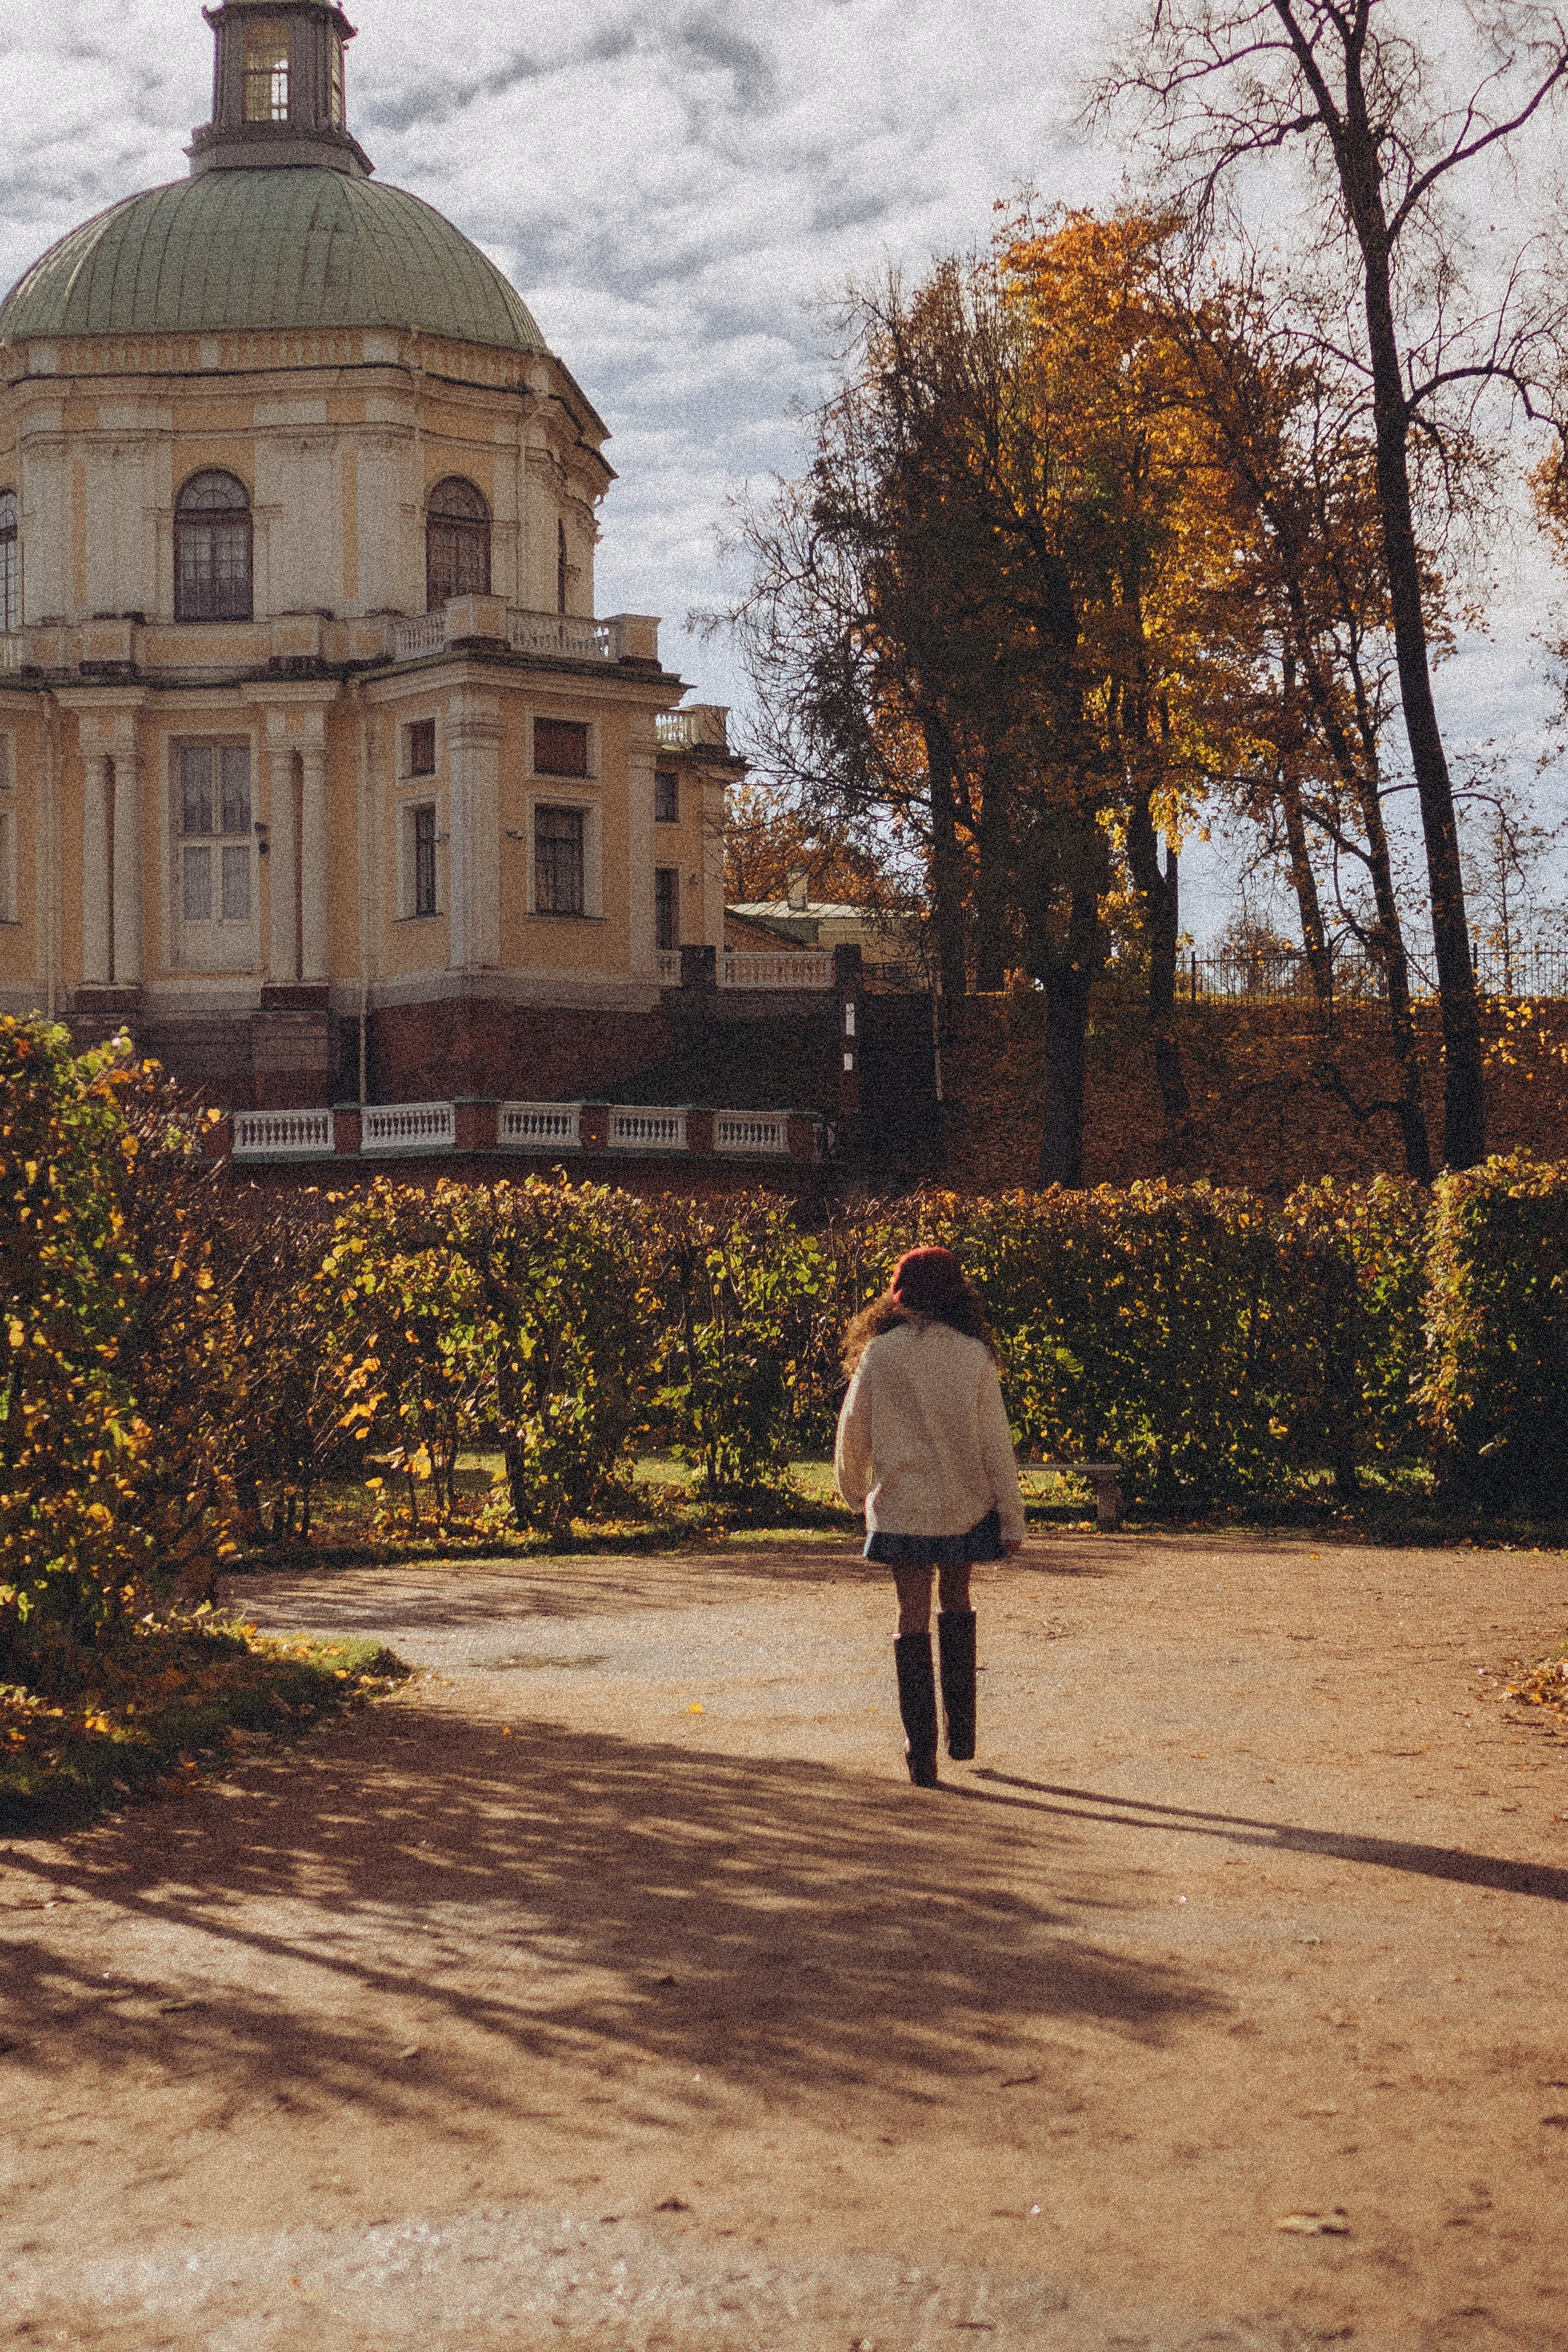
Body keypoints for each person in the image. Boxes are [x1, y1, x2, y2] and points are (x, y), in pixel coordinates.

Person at [834, 1246, 1025, 1787]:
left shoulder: (879, 1353)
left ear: (897, 1297)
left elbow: (853, 1430)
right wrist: (1011, 1518)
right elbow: (996, 1443)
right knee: (958, 1603)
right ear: (957, 1295)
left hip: (902, 1509)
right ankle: (960, 1734)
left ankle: (921, 1756)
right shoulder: (973, 1356)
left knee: (910, 1616)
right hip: (966, 1507)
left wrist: (855, 1494)